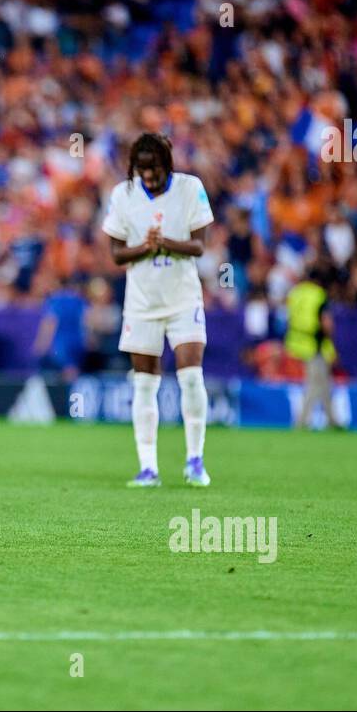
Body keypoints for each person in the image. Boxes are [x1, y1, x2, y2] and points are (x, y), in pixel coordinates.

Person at [102, 132, 214, 487]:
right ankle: (148, 466)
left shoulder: (189, 187)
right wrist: (146, 248)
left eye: (154, 170)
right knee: (145, 385)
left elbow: (199, 246)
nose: (148, 177)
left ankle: (195, 460)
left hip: (183, 299)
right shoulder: (124, 193)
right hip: (142, 302)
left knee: (191, 377)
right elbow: (117, 254)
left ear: (167, 165)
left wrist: (167, 244)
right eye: (142, 170)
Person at [286, 264, 340, 429]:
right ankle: (302, 421)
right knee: (314, 384)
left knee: (323, 383)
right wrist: (331, 344)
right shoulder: (318, 294)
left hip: (295, 341)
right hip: (313, 344)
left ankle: (332, 420)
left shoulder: (295, 293)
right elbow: (326, 322)